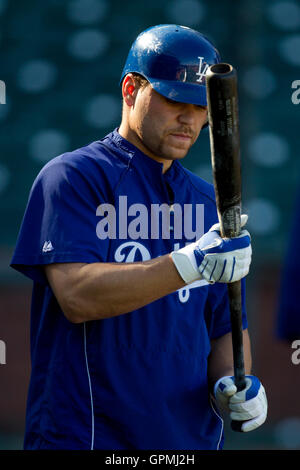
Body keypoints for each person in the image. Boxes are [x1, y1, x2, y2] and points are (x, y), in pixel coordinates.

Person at [11, 24, 267, 450]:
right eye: (174, 100)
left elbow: (226, 324)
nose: (190, 118)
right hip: (87, 437)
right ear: (131, 89)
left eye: (202, 106)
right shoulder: (72, 177)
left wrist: (236, 382)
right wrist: (188, 265)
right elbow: (76, 296)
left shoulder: (209, 203)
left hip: (189, 442)